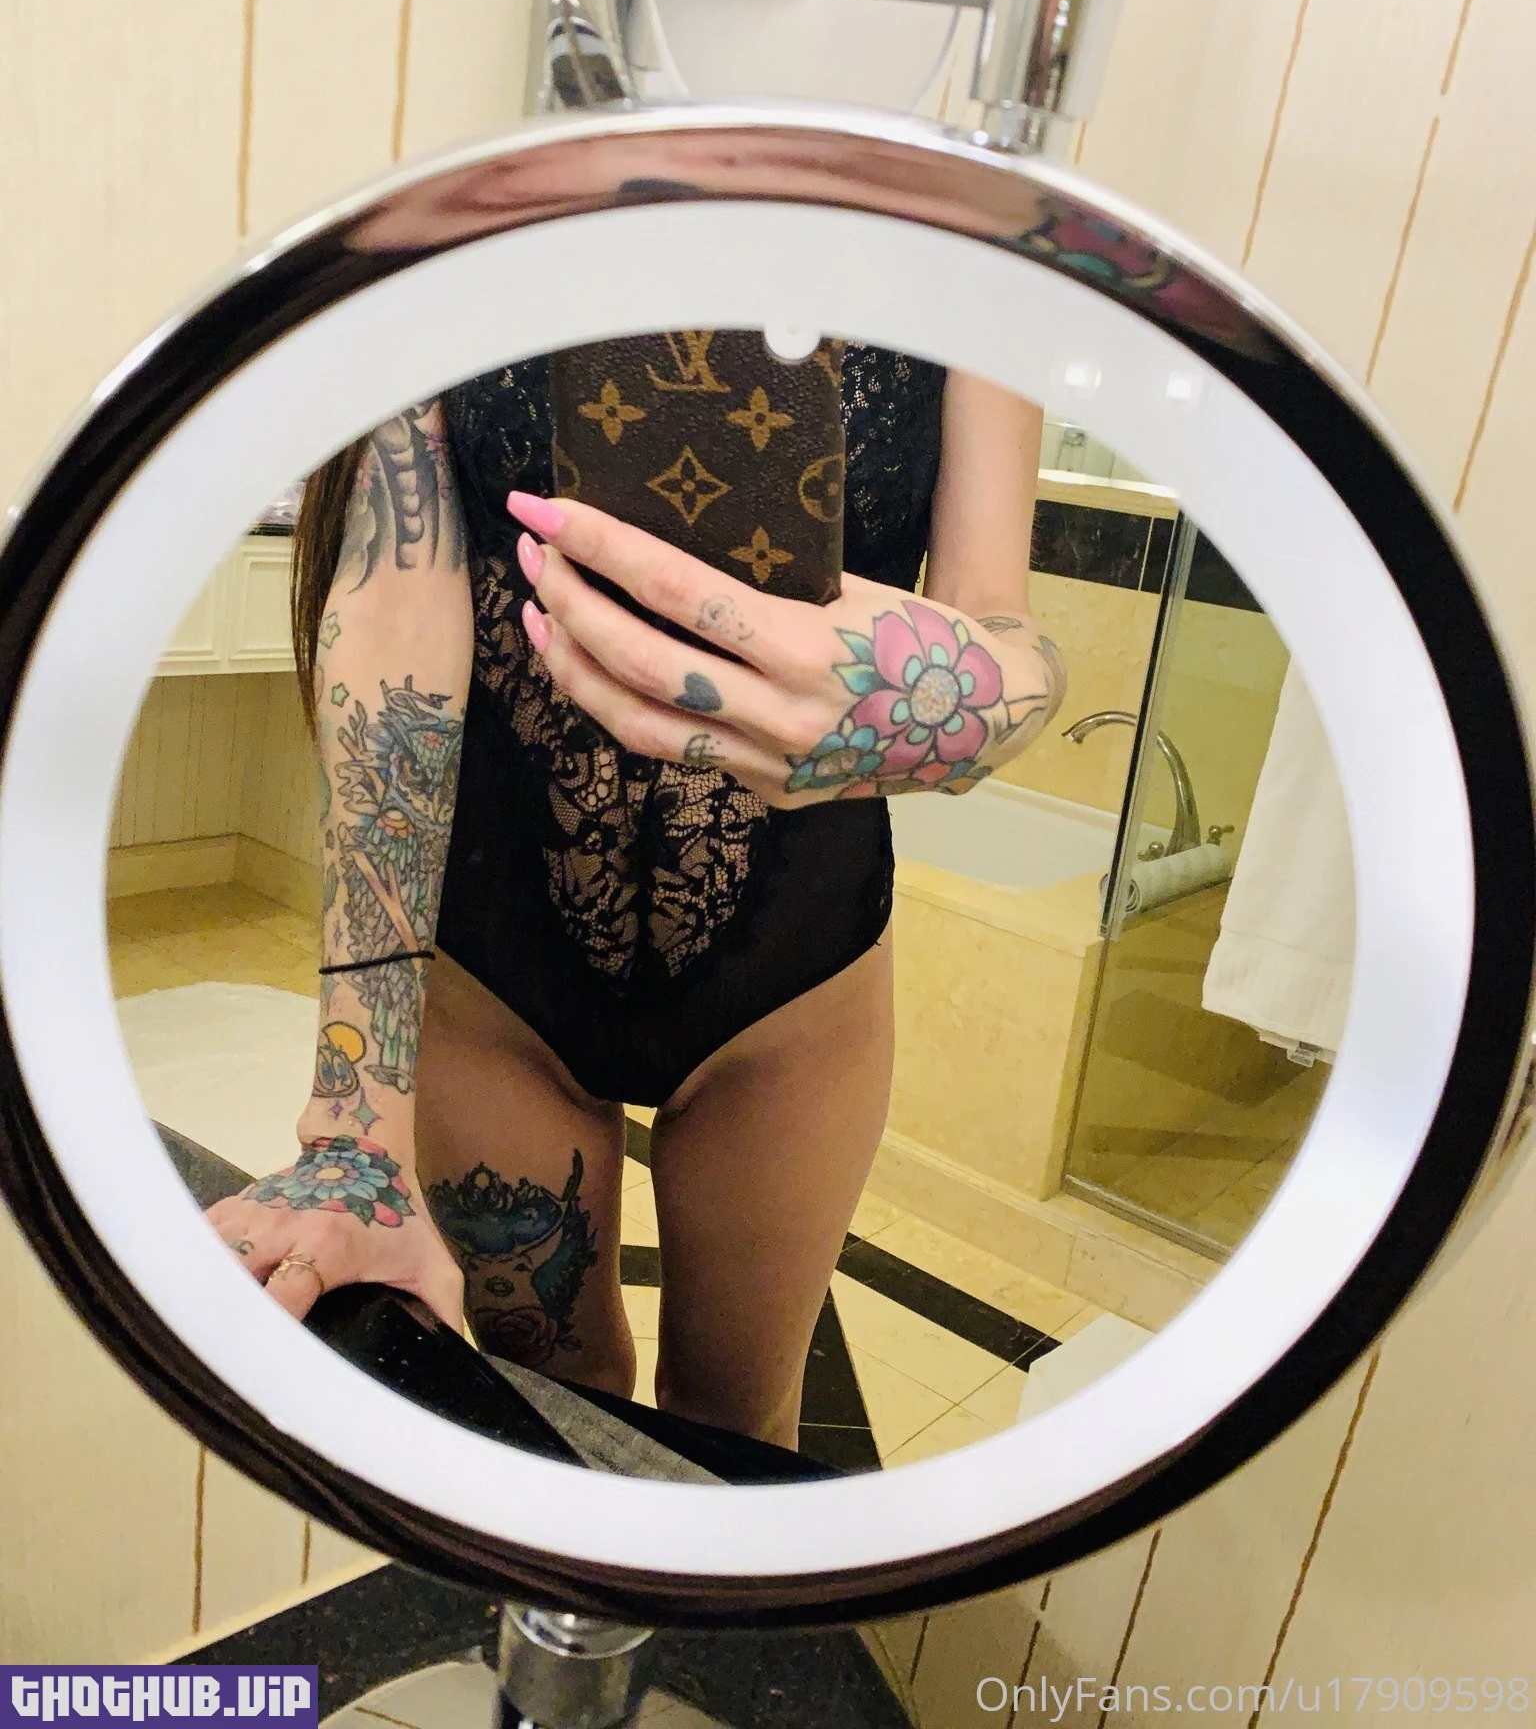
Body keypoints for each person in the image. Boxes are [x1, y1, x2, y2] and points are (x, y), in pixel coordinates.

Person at [206, 338, 1063, 1451]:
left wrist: (980, 698)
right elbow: (390, 608)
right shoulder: (467, 228)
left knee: (739, 1425)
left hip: (796, 977)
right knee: (553, 1408)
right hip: (496, 971)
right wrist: (353, 1125)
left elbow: (994, 612)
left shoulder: (977, 251)